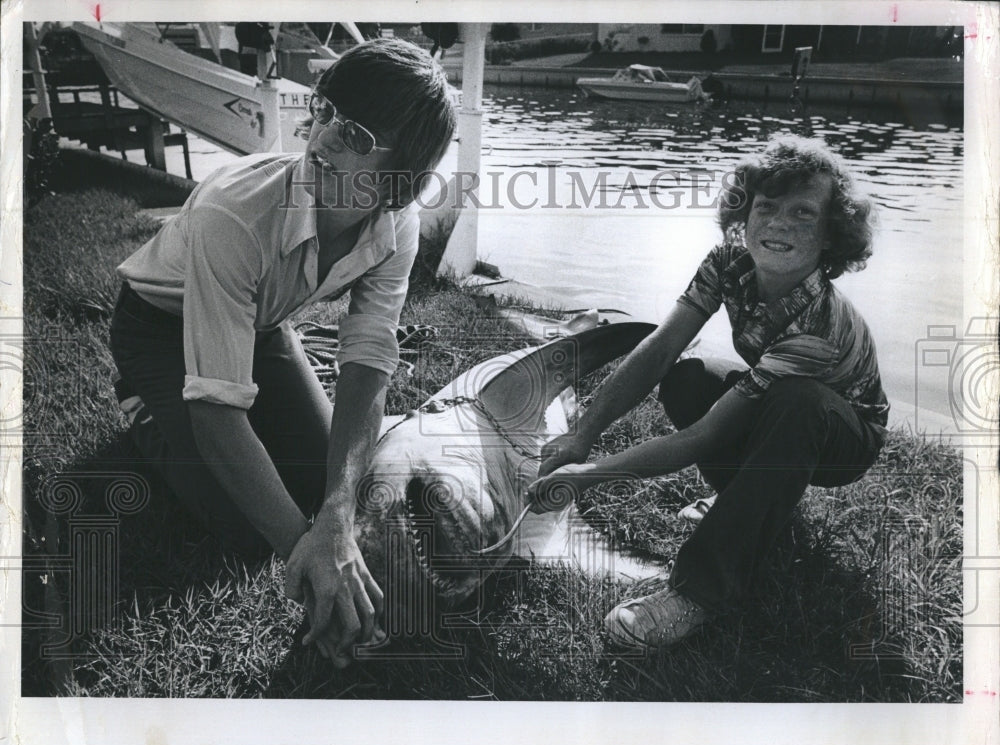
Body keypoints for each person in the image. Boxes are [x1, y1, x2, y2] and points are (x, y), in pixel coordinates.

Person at [109, 39, 456, 666]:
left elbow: (370, 359)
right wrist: (314, 555)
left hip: (263, 327)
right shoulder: (234, 211)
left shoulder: (395, 225)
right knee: (243, 525)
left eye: (352, 133)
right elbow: (218, 415)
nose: (319, 139)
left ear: (401, 180)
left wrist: (337, 511)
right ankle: (143, 410)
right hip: (157, 326)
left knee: (338, 479)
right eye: (323, 112)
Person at [527, 135, 889, 650]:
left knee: (797, 404)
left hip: (843, 436)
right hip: (783, 405)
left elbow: (706, 435)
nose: (779, 224)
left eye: (804, 214)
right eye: (766, 206)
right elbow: (660, 348)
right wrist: (582, 435)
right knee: (689, 374)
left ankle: (699, 593)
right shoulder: (728, 261)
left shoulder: (819, 327)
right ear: (745, 212)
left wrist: (591, 475)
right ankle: (741, 503)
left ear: (832, 235)